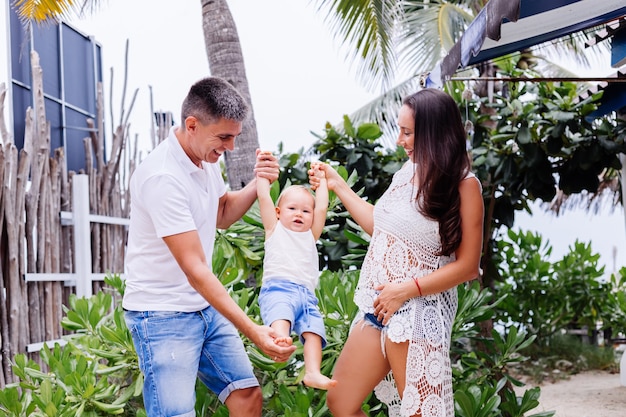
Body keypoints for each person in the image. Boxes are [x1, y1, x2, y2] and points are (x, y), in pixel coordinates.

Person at [122, 76, 296, 417]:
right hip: (161, 315)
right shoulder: (163, 177)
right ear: (192, 125)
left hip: (202, 307)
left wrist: (258, 183)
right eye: (224, 137)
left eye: (234, 137)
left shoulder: (202, 159)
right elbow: (196, 269)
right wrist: (253, 330)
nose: (230, 147)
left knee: (246, 396)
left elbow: (222, 213)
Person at [309, 88, 484, 417]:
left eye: (407, 132)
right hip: (377, 308)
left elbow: (469, 266)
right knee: (341, 402)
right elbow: (382, 227)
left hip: (419, 313)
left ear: (432, 134)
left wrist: (406, 290)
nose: (399, 140)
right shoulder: (407, 174)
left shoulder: (464, 184)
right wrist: (338, 185)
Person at [256, 160, 337, 390]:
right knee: (281, 316)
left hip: (307, 297)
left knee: (314, 331)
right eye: (292, 209)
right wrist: (263, 174)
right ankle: (279, 340)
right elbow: (264, 198)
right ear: (279, 212)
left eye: (305, 210)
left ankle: (312, 372)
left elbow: (321, 207)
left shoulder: (311, 235)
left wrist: (321, 182)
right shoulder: (274, 228)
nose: (299, 214)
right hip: (278, 289)